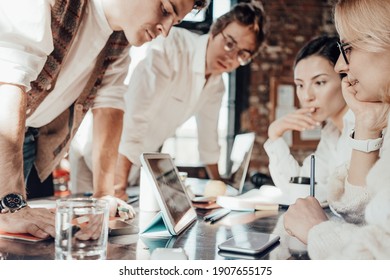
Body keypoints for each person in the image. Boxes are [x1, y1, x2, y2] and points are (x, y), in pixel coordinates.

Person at [0, 0, 208, 238]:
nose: (166, 29)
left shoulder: (118, 40)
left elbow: (109, 106)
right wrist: (11, 205)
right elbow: (8, 81)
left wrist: (104, 194)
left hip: (23, 135)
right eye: (165, 10)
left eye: (176, 21)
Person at [69, 0, 267, 200]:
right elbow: (136, 117)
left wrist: (220, 190)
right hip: (95, 155)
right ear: (215, 31)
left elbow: (209, 140)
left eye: (243, 54)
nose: (231, 56)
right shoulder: (172, 47)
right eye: (229, 43)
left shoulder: (217, 86)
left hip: (134, 164)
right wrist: (118, 185)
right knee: (86, 222)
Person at [283, 0, 390, 259]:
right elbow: (363, 217)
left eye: (349, 47)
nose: (341, 67)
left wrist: (318, 231)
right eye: (299, 85)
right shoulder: (347, 127)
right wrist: (367, 122)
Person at [264, 35, 354, 203]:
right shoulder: (331, 134)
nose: (307, 96)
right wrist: (274, 136)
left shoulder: (368, 128)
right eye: (300, 85)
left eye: (319, 82)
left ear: (345, 79)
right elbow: (299, 190)